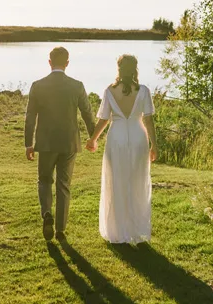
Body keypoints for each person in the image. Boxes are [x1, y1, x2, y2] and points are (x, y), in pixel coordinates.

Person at [25, 46, 96, 242]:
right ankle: (60, 229)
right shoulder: (77, 86)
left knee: (44, 180)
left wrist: (28, 144)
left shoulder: (37, 86)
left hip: (46, 142)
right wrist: (93, 137)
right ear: (67, 63)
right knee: (64, 185)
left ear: (49, 62)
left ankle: (47, 213)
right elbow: (87, 113)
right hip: (69, 143)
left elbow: (30, 117)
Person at [85, 54, 157, 244]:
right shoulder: (143, 91)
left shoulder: (110, 90)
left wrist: (93, 139)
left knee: (116, 181)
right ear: (135, 69)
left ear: (119, 69)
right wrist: (154, 145)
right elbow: (148, 120)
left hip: (116, 138)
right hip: (138, 137)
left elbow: (104, 119)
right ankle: (136, 229)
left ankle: (118, 230)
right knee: (137, 182)